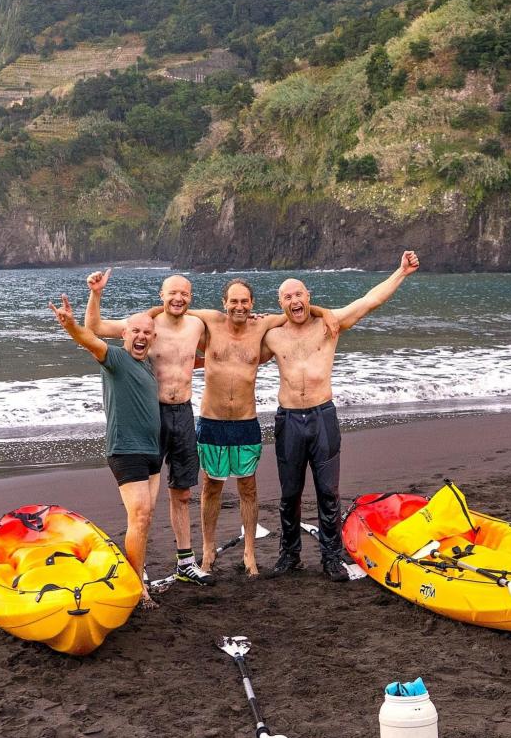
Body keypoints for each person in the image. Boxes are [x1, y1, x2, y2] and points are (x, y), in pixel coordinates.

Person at [261, 251, 420, 582]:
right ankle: (289, 556)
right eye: (287, 296)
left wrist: (401, 272)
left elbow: (368, 301)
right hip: (288, 420)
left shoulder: (329, 325)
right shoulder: (272, 335)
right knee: (290, 493)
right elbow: (235, 352)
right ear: (280, 303)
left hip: (323, 417)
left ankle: (331, 558)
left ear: (309, 297)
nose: (294, 300)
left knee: (328, 492)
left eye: (299, 294)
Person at [183, 280, 338, 577]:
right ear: (224, 302)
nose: (239, 307)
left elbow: (298, 311)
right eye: (234, 301)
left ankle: (250, 553)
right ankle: (207, 551)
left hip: (245, 421)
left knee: (248, 488)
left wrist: (324, 311)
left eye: (245, 301)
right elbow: (173, 311)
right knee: (211, 487)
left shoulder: (263, 325)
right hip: (212, 420)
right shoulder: (209, 322)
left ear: (252, 303)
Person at [84, 270, 214, 586]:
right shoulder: (145, 325)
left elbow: (223, 343)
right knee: (145, 505)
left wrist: (257, 320)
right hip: (150, 416)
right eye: (172, 293)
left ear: (190, 297)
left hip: (183, 413)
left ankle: (186, 562)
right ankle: (138, 568)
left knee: (182, 493)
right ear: (161, 295)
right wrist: (97, 293)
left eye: (184, 293)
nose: (178, 298)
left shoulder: (198, 325)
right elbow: (95, 328)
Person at [48, 296, 161, 609]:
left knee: (146, 517)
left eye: (146, 333)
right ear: (123, 334)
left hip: (152, 450)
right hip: (126, 450)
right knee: (139, 515)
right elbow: (89, 339)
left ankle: (137, 573)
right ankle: (137, 588)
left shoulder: (148, 364)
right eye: (134, 331)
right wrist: (71, 325)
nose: (140, 337)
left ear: (153, 338)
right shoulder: (114, 358)